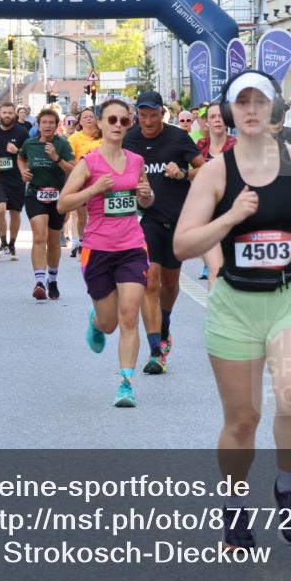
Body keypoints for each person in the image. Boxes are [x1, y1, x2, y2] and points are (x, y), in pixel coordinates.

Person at [172, 70, 291, 552]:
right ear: (229, 111)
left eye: (259, 101)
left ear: (273, 109)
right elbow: (183, 245)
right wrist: (230, 216)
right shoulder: (216, 172)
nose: (250, 110)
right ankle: (235, 504)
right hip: (235, 306)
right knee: (242, 421)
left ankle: (286, 487)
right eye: (241, 102)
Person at [57, 99, 155, 407]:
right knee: (110, 323)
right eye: (111, 119)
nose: (117, 125)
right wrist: (93, 191)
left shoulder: (136, 161)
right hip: (98, 249)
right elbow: (62, 204)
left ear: (129, 125)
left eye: (124, 120)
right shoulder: (89, 162)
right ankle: (96, 321)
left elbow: (146, 202)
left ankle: (125, 384)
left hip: (132, 247)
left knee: (130, 315)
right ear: (99, 123)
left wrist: (146, 196)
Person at [122, 90, 206, 374]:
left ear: (162, 114)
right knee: (150, 281)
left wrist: (183, 173)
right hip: (146, 218)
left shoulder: (177, 137)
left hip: (177, 217)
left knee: (170, 283)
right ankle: (156, 350)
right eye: (142, 115)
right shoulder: (129, 139)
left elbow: (203, 170)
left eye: (152, 115)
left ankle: (165, 322)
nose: (147, 121)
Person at [18, 108, 76, 300]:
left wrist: (56, 158)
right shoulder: (30, 143)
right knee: (39, 237)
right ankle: (39, 282)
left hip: (58, 196)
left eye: (52, 122)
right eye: (44, 122)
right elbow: (20, 157)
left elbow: (74, 169)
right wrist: (23, 171)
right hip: (35, 195)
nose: (48, 126)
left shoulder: (63, 144)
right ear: (39, 125)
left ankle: (53, 279)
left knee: (53, 242)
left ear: (57, 125)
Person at [195, 102, 235, 287]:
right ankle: (215, 312)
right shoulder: (199, 146)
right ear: (206, 122)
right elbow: (192, 177)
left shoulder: (238, 146)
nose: (217, 120)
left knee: (230, 268)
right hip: (206, 214)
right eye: (213, 117)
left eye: (221, 116)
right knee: (215, 268)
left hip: (232, 212)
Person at [0, 102, 30, 260]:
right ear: (0, 115)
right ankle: (3, 242)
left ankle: (12, 244)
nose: (7, 115)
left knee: (15, 212)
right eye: (4, 113)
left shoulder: (22, 132)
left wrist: (17, 151)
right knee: (0, 209)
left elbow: (29, 154)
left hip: (17, 177)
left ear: (15, 114)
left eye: (10, 113)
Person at [67, 108, 103, 258]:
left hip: (100, 180)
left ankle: (97, 242)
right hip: (81, 180)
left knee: (99, 213)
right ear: (80, 122)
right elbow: (70, 160)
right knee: (81, 216)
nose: (89, 119)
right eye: (85, 117)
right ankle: (81, 240)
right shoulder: (74, 139)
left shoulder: (103, 137)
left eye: (91, 116)